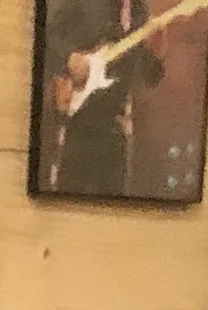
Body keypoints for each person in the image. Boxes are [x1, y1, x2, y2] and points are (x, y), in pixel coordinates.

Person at [42, 0, 165, 195]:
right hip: (77, 120)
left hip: (116, 128)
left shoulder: (140, 11)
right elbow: (46, 35)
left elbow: (150, 77)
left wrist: (156, 52)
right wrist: (69, 58)